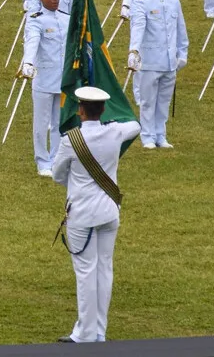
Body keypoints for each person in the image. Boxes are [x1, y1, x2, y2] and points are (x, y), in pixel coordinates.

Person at [51, 86, 141, 344]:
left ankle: (85, 333)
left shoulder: (72, 140)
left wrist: (76, 181)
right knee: (104, 270)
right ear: (102, 109)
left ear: (80, 110)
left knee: (86, 273)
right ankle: (99, 330)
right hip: (110, 211)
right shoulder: (115, 131)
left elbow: (57, 175)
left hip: (83, 215)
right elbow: (135, 125)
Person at [127, 0, 188, 149]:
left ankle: (161, 134)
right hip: (149, 61)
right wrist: (134, 51)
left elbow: (180, 30)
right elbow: (138, 29)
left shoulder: (173, 0)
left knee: (163, 101)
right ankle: (147, 135)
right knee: (147, 101)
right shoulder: (141, 2)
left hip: (170, 61)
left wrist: (182, 53)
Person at [18, 0, 73, 176]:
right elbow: (32, 42)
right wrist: (28, 63)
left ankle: (56, 159)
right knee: (41, 123)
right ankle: (42, 161)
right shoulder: (36, 19)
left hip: (62, 78)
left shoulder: (66, 18)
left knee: (60, 123)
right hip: (43, 78)